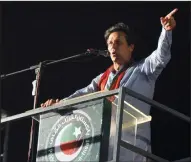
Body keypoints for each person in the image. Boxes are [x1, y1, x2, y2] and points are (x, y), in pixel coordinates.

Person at [41, 8, 178, 161]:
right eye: (110, 43)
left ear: (131, 47)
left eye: (118, 42)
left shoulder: (143, 70)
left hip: (132, 147)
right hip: (103, 146)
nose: (113, 47)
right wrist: (58, 105)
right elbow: (81, 95)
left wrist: (166, 31)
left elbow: (161, 56)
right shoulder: (102, 79)